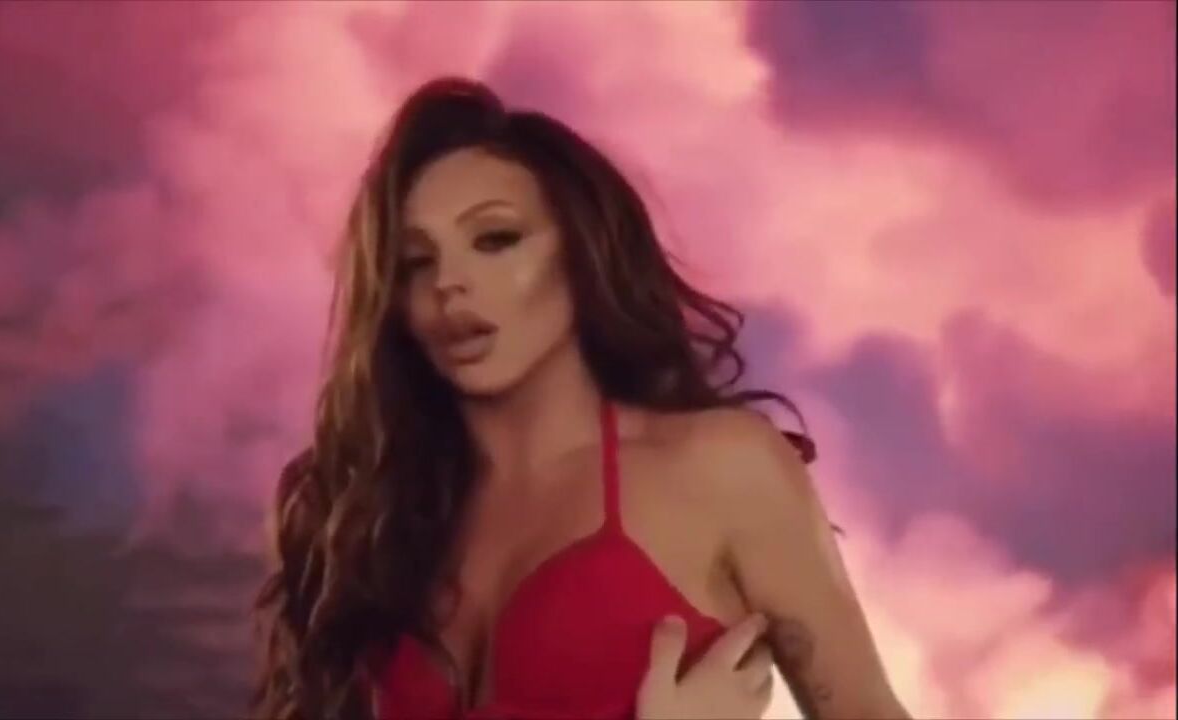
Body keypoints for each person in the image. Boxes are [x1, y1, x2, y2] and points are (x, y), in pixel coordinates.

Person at [251, 77, 909, 720]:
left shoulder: (720, 470)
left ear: (581, 252)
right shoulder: (371, 519)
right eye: (414, 263)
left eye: (495, 239)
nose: (449, 283)